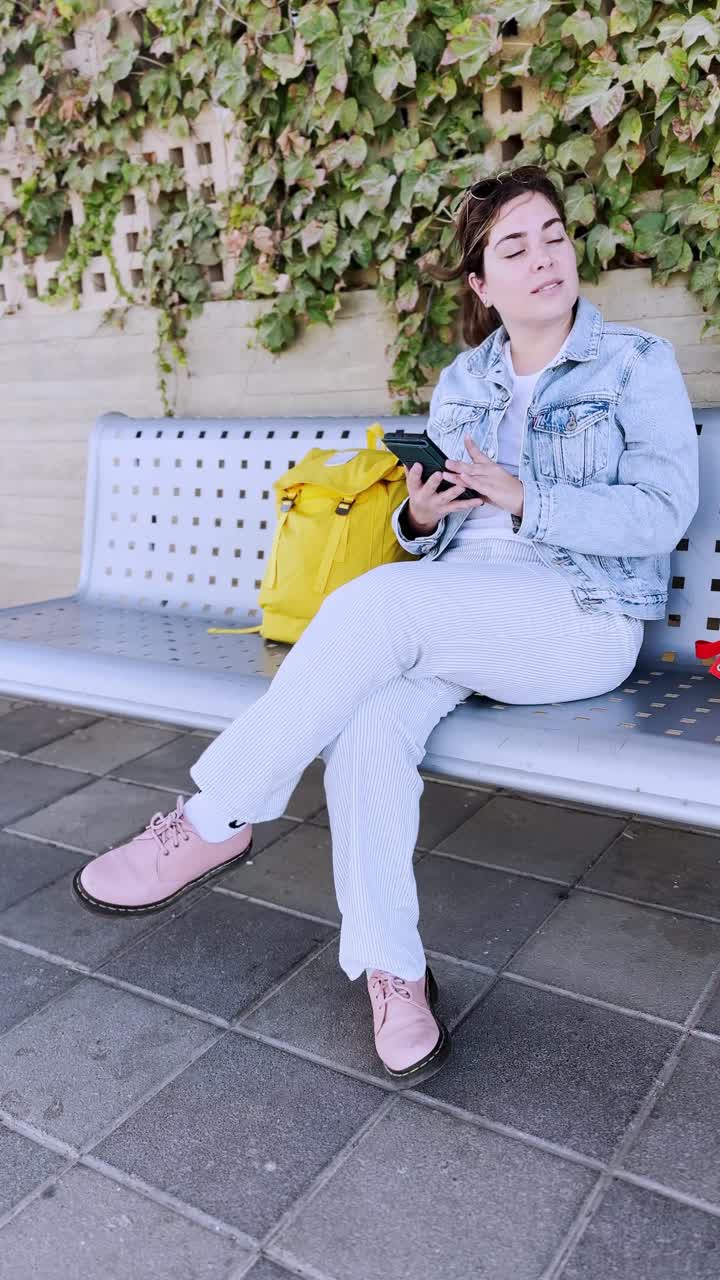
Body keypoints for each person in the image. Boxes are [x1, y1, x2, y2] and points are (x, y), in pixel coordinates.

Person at [72, 164, 699, 1086]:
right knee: (367, 726)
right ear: (482, 285)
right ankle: (393, 970)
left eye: (555, 236)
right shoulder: (462, 380)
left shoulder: (635, 364)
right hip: (460, 611)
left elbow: (662, 512)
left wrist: (525, 495)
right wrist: (422, 518)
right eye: (515, 247)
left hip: (579, 611)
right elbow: (425, 551)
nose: (545, 258)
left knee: (373, 605)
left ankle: (215, 815)